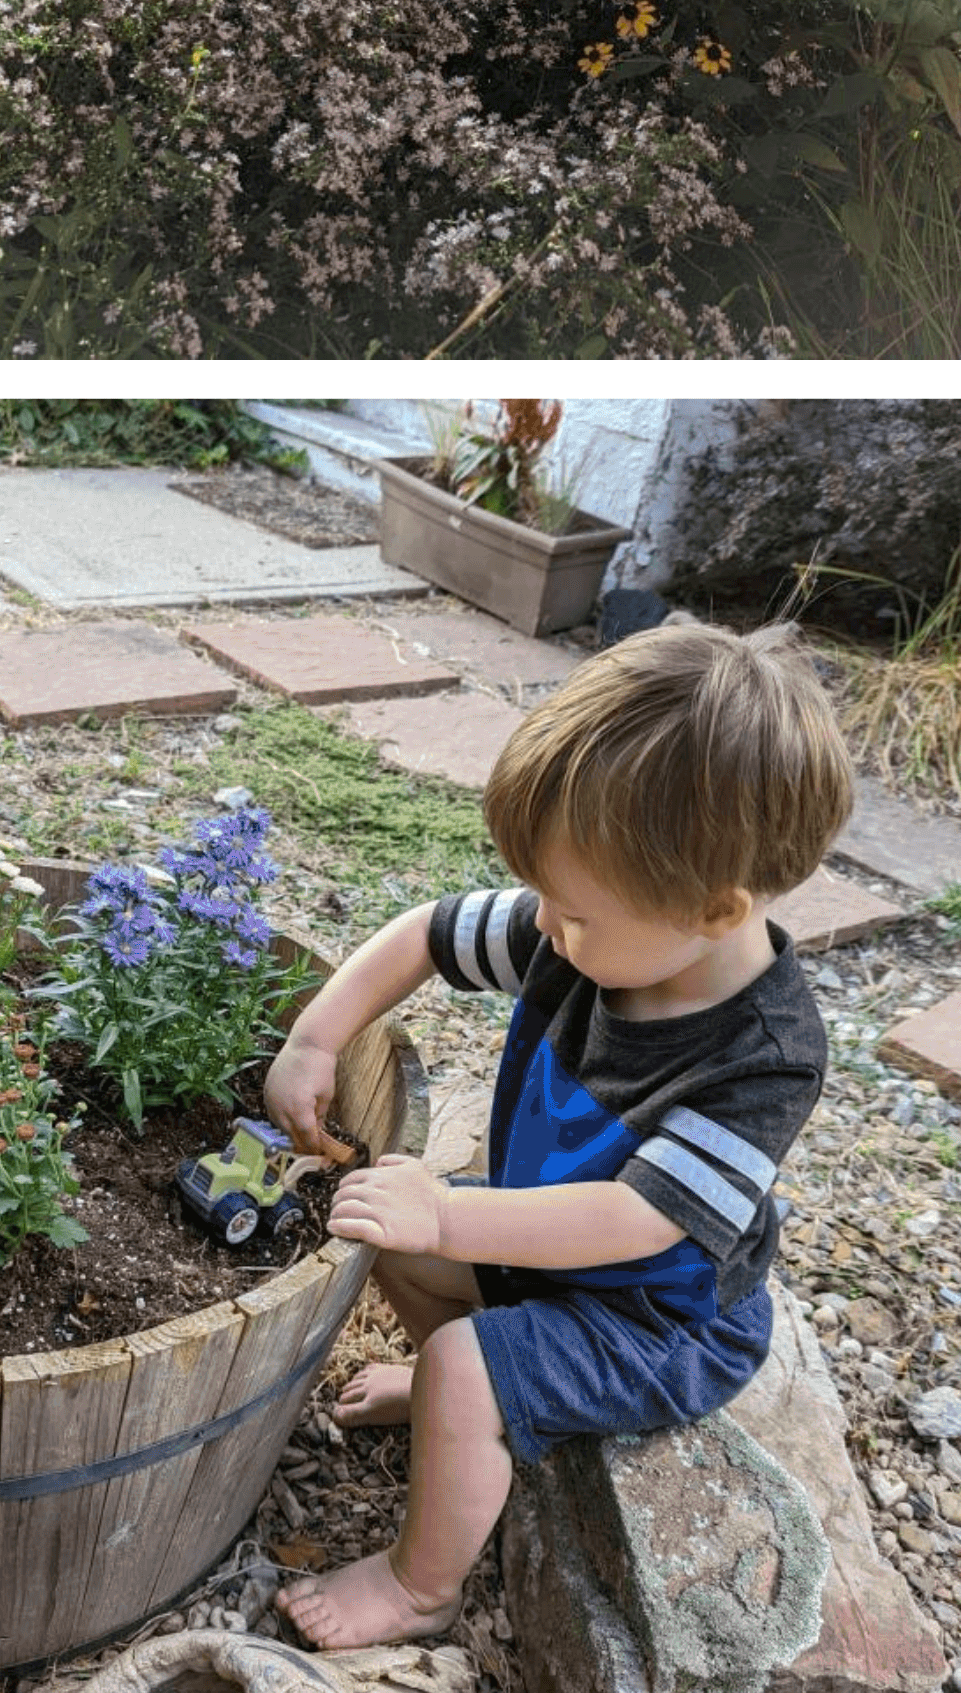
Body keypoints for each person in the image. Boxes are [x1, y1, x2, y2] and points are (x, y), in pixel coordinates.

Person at [261, 619, 846, 1652]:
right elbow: (427, 934)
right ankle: (448, 1389)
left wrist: (453, 1209)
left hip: (660, 1321)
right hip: (556, 1268)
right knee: (400, 1238)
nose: (545, 927)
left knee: (471, 1359)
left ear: (717, 908)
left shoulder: (767, 1053)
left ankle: (420, 1585)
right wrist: (317, 1036)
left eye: (570, 912)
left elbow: (635, 1218)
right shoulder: (598, 921)